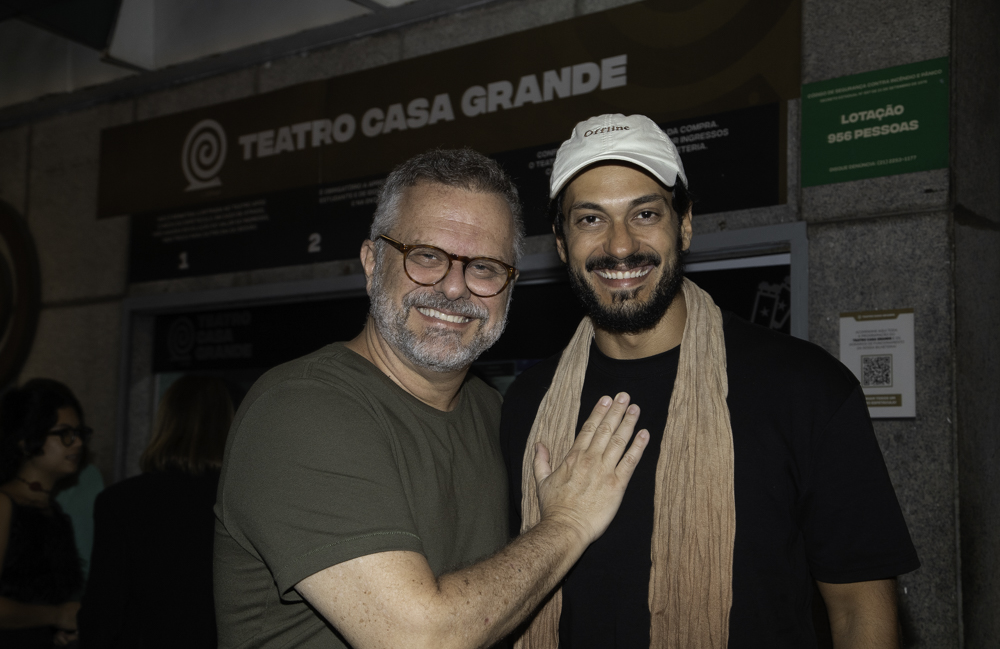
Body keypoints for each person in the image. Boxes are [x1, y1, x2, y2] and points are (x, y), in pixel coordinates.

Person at [499, 114, 920, 649]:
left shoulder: (806, 388)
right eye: (590, 219)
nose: (620, 245)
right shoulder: (527, 403)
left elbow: (861, 610)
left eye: (645, 213)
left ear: (685, 224)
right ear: (561, 243)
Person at [214, 148, 650, 649]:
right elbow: (418, 638)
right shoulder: (299, 410)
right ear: (372, 263)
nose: (454, 287)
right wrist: (568, 523)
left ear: (510, 287)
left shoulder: (496, 412)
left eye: (484, 267)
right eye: (426, 256)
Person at [78, 375, 234, 648]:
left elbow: (102, 613)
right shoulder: (243, 502)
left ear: (164, 423)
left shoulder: (121, 501)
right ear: (229, 424)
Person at [0, 379, 88, 648]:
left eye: (79, 433)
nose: (78, 443)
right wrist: (57, 615)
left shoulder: (52, 511)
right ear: (26, 441)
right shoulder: (4, 504)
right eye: (64, 434)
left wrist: (58, 630)